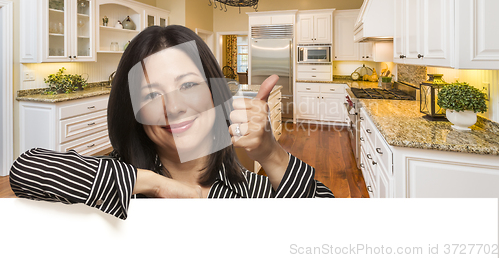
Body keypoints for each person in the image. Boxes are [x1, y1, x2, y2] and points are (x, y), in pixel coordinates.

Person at [9, 25, 334, 220]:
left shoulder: (253, 191)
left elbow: (333, 223)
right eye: (151, 95)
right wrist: (162, 185)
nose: (174, 107)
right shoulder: (120, 186)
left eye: (188, 85)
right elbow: (27, 170)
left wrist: (271, 153)